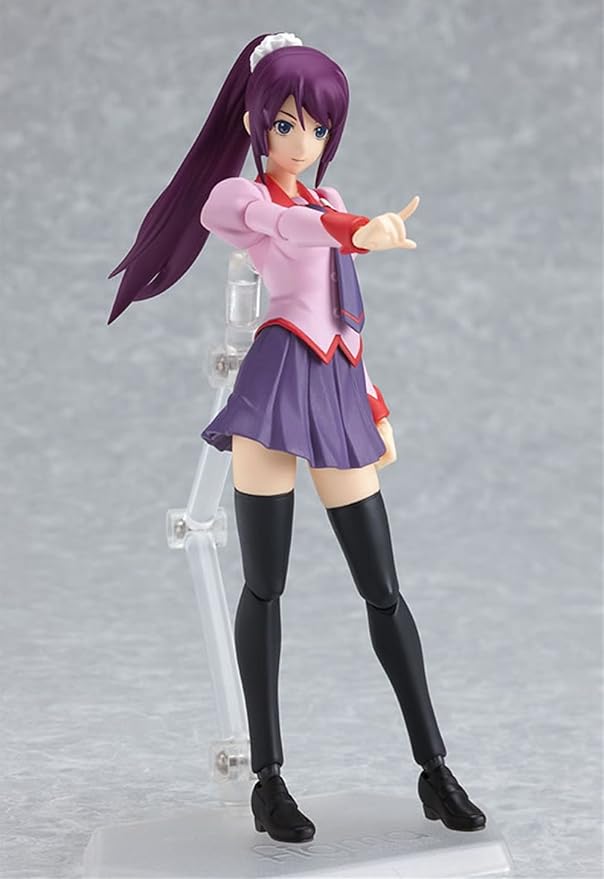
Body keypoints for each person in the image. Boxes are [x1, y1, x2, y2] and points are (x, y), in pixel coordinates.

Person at [108, 31, 487, 844]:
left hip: (338, 386)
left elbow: (347, 318)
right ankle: (268, 780)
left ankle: (434, 769)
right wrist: (354, 230)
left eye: (317, 127)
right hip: (277, 387)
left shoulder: (326, 198)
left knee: (383, 588)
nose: (303, 142)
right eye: (287, 124)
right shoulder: (238, 200)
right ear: (257, 124)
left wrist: (373, 401)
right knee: (265, 586)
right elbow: (292, 235)